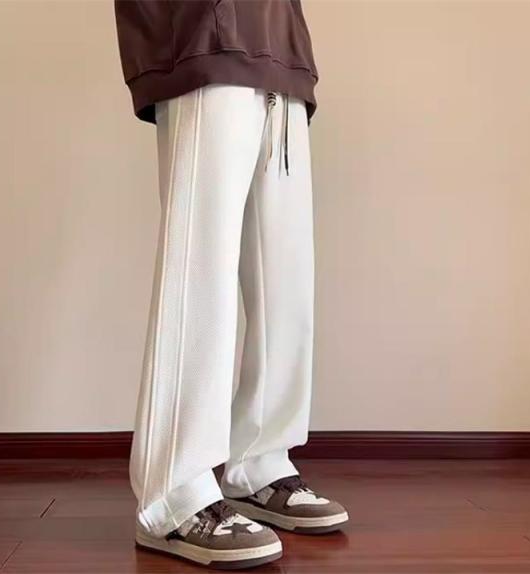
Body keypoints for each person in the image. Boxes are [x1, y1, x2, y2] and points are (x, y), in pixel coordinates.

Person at [114, 1, 348, 569]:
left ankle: (260, 462)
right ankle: (174, 494)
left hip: (279, 48)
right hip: (203, 34)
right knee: (200, 269)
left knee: (285, 276)